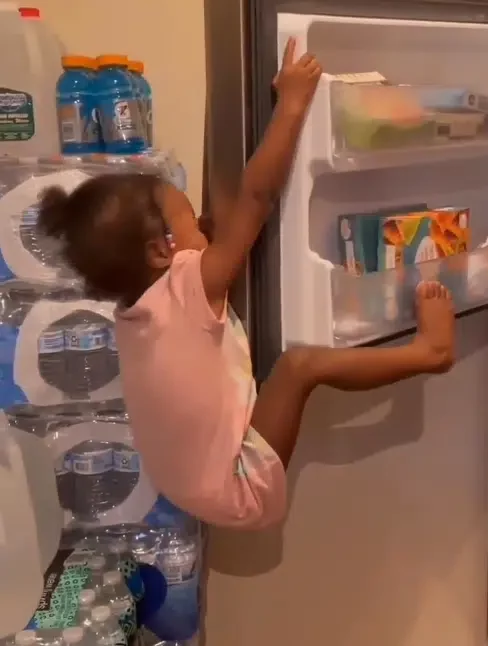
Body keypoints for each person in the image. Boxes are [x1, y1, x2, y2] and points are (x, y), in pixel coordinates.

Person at [37, 38, 456, 529]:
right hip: (238, 489)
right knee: (299, 366)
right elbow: (256, 197)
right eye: (190, 219)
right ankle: (430, 352)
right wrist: (293, 102)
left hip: (185, 483)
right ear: (160, 252)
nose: (205, 226)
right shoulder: (188, 286)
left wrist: (204, 229)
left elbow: (216, 234)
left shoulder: (133, 312)